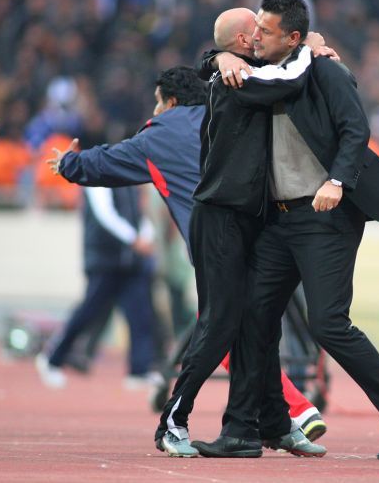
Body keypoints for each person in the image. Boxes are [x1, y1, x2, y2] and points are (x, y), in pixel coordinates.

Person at [48, 62, 327, 456]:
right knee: (256, 331)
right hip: (268, 242)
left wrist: (68, 163)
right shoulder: (231, 111)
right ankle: (281, 418)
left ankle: (182, 421)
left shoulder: (159, 135)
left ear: (172, 102)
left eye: (158, 102)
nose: (155, 110)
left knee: (218, 333)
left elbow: (106, 163)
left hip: (214, 247)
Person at [201, 0, 379, 462]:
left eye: (265, 31)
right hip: (278, 219)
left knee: (328, 324)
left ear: (294, 38)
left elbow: (355, 130)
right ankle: (242, 430)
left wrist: (337, 181)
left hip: (326, 216)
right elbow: (205, 68)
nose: (255, 38)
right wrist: (219, 55)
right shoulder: (256, 69)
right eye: (254, 29)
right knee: (251, 317)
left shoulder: (325, 70)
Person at [34, 182, 159, 390]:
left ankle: (139, 371)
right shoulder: (97, 177)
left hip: (131, 261)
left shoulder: (129, 178)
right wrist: (134, 239)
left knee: (141, 315)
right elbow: (105, 215)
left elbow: (139, 214)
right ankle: (52, 358)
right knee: (88, 312)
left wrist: (147, 235)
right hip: (104, 260)